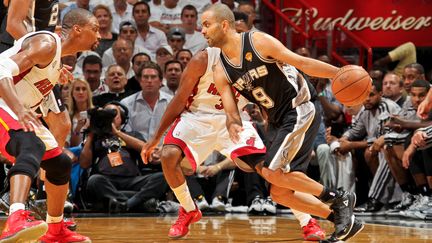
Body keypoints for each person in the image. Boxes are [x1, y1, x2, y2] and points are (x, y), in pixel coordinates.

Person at [203, 4, 363, 241]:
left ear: (224, 25)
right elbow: (231, 110)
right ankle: (342, 220)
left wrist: (340, 72)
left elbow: (302, 62)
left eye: (206, 25)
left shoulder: (258, 41)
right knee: (279, 193)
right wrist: (233, 123)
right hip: (277, 121)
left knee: (271, 171)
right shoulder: (221, 68)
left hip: (298, 108)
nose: (202, 31)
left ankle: (339, 197)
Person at [140, 46, 326, 241]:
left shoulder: (254, 60)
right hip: (197, 118)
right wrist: (154, 139)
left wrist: (273, 135)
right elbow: (179, 100)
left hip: (235, 120)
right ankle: (188, 209)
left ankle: (308, 221)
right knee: (168, 155)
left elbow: (265, 102)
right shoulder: (203, 58)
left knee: (272, 170)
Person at [0, 8, 99, 242]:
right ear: (77, 29)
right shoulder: (46, 43)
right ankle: (15, 218)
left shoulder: (55, 61)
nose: (100, 35)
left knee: (60, 163)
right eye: (94, 29)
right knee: (30, 144)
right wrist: (20, 109)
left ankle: (54, 230)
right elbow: (1, 69)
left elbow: (36, 92)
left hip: (13, 107)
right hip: (6, 105)